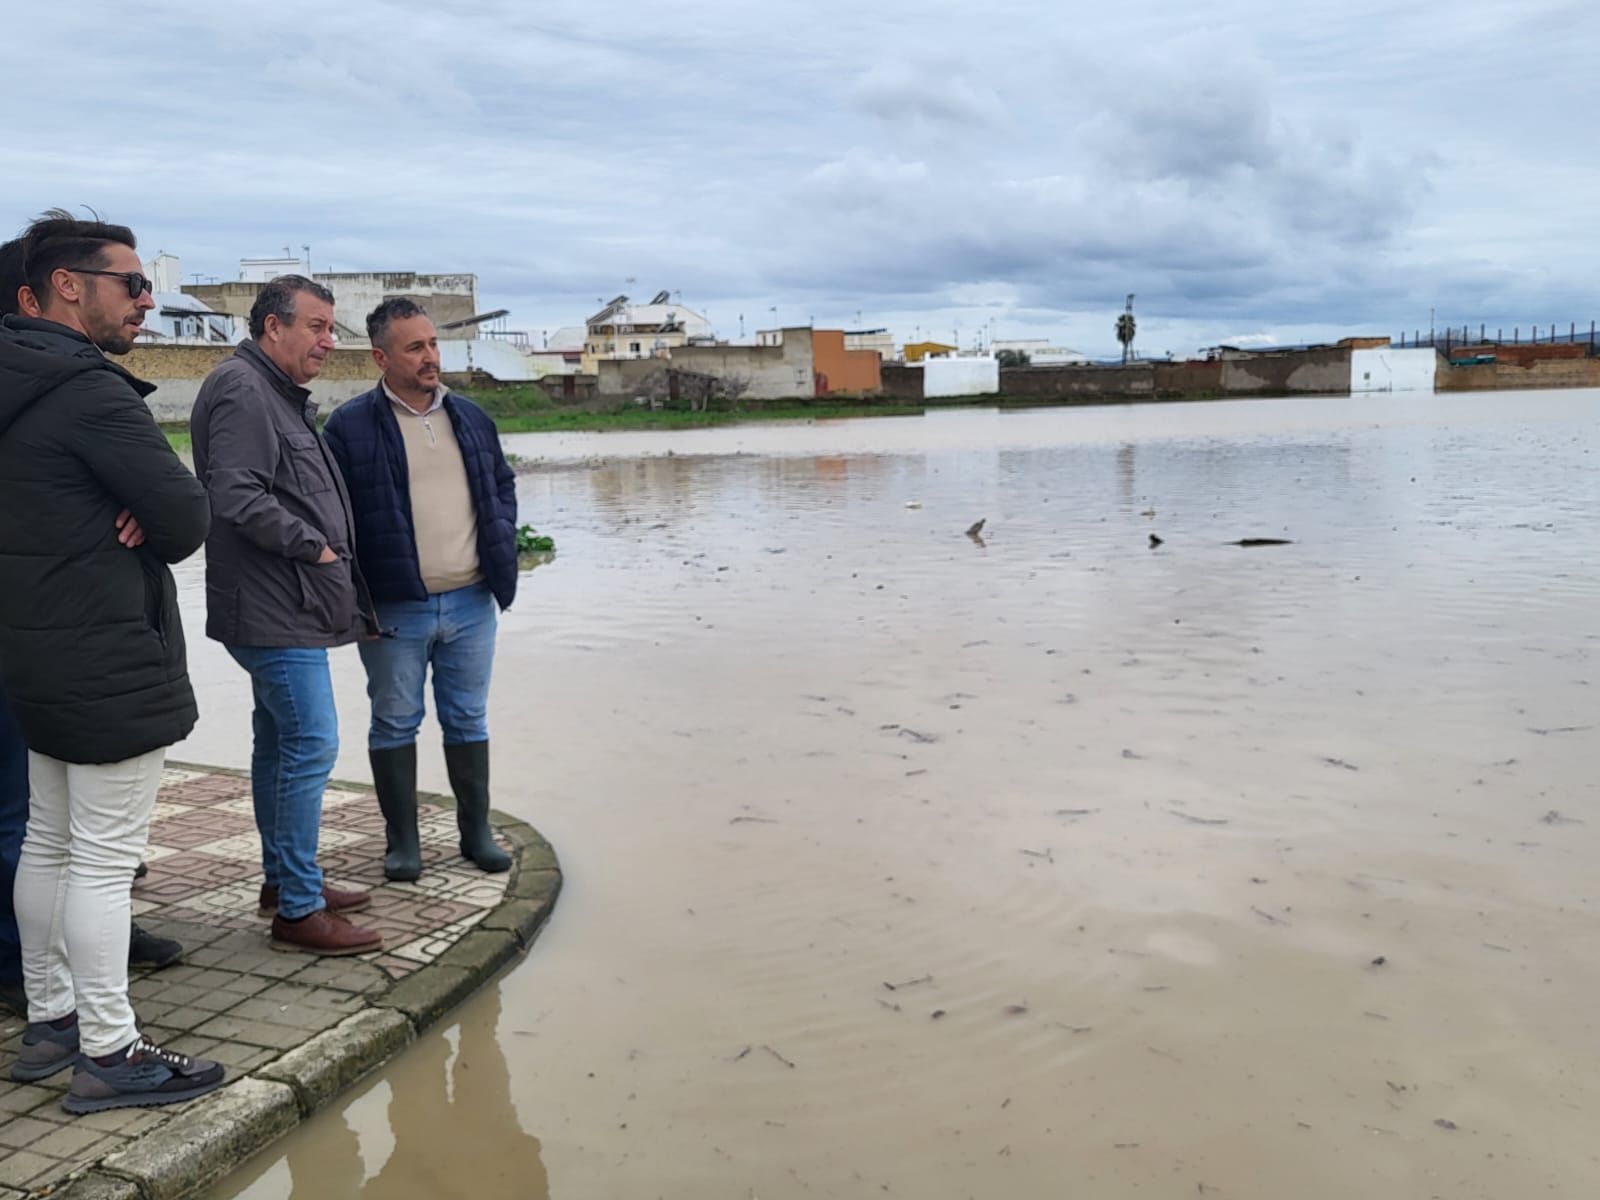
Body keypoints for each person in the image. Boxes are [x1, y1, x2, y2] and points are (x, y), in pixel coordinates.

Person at [0, 211, 223, 1112]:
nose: (146, 300)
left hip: (32, 651)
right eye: (131, 284)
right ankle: (110, 1049)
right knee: (98, 859)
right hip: (105, 654)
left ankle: (51, 1020)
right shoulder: (86, 392)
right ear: (67, 286)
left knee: (49, 842)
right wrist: (131, 514)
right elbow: (185, 521)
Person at [190, 275, 384, 956]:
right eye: (317, 327)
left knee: (279, 743)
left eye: (333, 329)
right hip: (275, 606)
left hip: (281, 603)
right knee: (311, 744)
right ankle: (298, 910)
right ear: (274, 327)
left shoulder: (270, 391)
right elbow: (235, 495)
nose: (329, 342)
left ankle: (285, 880)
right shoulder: (245, 388)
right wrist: (320, 550)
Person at [324, 299, 517, 880]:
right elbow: (335, 515)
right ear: (381, 357)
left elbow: (502, 491)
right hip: (393, 609)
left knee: (468, 718)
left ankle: (475, 833)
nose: (430, 356)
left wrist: (500, 548)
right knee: (394, 720)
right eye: (415, 347)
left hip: (472, 602)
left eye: (432, 344)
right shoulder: (350, 427)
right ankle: (402, 843)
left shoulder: (472, 418)